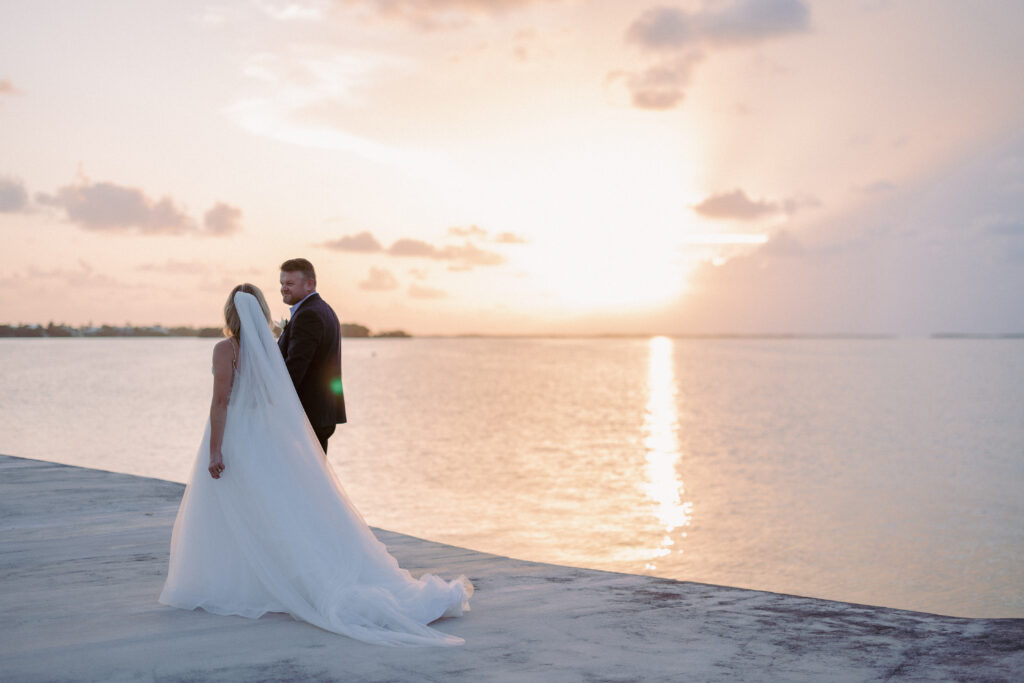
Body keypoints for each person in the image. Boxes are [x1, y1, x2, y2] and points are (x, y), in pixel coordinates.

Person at [158, 284, 472, 646]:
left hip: (237, 437)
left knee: (235, 508)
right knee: (273, 511)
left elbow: (220, 402)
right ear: (260, 311)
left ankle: (242, 583)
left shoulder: (225, 349)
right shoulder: (269, 354)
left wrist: (215, 450)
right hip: (263, 439)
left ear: (229, 313)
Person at [278, 258, 346, 453]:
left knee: (302, 478)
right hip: (320, 413)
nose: (283, 288)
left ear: (309, 284)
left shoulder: (308, 315)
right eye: (282, 283)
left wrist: (272, 403)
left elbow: (295, 368)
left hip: (307, 415)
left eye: (290, 283)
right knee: (313, 477)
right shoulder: (323, 310)